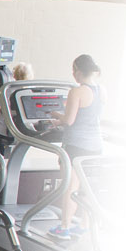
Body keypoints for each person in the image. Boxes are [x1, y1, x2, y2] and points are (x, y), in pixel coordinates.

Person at [48, 54, 104, 240]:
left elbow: (69, 120)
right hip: (95, 144)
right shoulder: (101, 90)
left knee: (71, 186)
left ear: (79, 71)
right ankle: (84, 225)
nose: (73, 74)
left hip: (77, 144)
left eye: (74, 70)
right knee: (88, 187)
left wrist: (56, 116)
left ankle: (64, 227)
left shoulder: (77, 91)